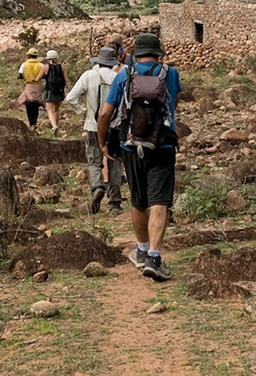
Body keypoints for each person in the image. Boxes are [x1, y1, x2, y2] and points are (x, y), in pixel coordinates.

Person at [95, 33, 181, 281]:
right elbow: (174, 101)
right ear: (158, 53)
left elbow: (105, 113)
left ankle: (142, 251)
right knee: (160, 202)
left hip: (130, 146)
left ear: (136, 53)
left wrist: (103, 142)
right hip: (162, 146)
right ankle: (154, 257)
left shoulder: (124, 74)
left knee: (138, 201)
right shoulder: (170, 73)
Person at [67, 45, 123, 214]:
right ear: (113, 62)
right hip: (115, 127)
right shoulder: (118, 77)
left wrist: (82, 111)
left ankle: (97, 187)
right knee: (115, 163)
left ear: (98, 61)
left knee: (94, 162)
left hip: (93, 126)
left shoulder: (89, 75)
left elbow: (70, 98)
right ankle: (115, 203)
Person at [16, 49, 47, 130]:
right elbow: (44, 75)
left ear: (29, 56)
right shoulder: (41, 65)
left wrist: (26, 76)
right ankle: (35, 123)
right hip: (38, 86)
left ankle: (31, 123)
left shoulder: (24, 65)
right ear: (36, 56)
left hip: (28, 86)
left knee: (28, 104)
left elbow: (19, 75)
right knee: (36, 104)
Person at [42, 49, 68, 133]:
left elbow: (37, 78)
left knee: (50, 110)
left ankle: (54, 126)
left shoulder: (46, 67)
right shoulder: (62, 67)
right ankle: (57, 125)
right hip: (60, 91)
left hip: (49, 91)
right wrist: (72, 90)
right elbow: (66, 80)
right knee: (56, 110)